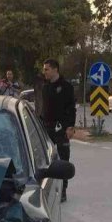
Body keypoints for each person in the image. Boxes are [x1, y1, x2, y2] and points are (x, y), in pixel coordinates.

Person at [40, 59, 76, 201]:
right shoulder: (45, 88)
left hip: (62, 128)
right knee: (45, 160)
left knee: (63, 159)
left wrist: (70, 127)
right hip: (47, 128)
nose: (45, 72)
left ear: (55, 69)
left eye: (47, 69)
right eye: (44, 69)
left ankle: (63, 190)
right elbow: (44, 110)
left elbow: (71, 108)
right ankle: (46, 189)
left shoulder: (66, 87)